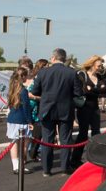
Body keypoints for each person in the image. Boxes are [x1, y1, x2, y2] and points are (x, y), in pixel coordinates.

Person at [29, 48, 82, 176]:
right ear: (64, 59)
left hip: (47, 109)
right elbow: (78, 93)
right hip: (65, 110)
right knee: (65, 139)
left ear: (53, 58)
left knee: (47, 140)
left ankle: (47, 170)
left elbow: (35, 91)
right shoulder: (71, 72)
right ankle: (65, 168)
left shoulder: (43, 73)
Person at [70, 55, 106, 169]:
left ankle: (97, 158)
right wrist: (94, 90)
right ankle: (75, 160)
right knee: (83, 134)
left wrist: (91, 90)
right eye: (99, 65)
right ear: (92, 65)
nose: (100, 67)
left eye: (101, 65)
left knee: (96, 133)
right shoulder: (82, 75)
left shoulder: (100, 77)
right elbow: (82, 91)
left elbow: (103, 92)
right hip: (84, 108)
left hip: (95, 108)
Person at [5, 66, 33, 174]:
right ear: (23, 76)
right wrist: (30, 121)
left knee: (13, 143)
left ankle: (15, 166)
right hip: (21, 120)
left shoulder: (12, 88)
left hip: (12, 119)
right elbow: (26, 108)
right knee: (24, 144)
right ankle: (22, 165)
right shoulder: (23, 90)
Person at [25, 58, 48, 162]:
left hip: (35, 108)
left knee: (36, 133)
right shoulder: (36, 78)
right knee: (27, 134)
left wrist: (34, 97)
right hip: (28, 108)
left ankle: (33, 153)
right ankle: (26, 154)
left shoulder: (38, 78)